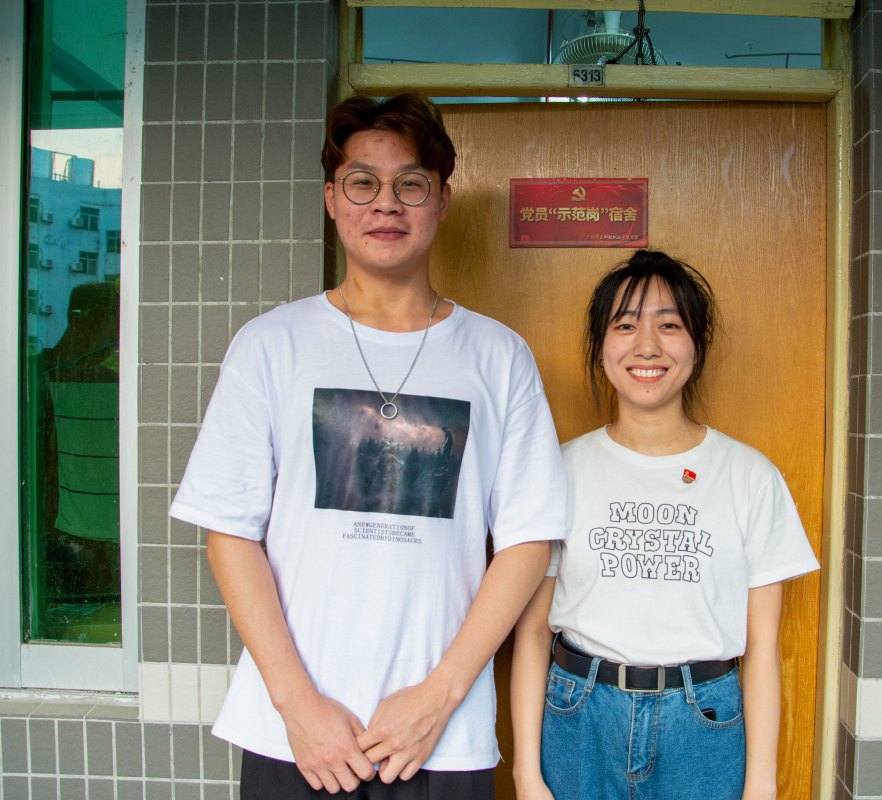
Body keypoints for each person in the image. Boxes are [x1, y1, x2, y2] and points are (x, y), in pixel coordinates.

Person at [170, 93, 566, 799]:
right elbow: (229, 532)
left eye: (411, 184)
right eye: (363, 182)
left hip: (440, 738)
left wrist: (441, 696)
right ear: (332, 198)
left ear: (442, 200)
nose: (386, 203)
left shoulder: (498, 356)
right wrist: (297, 704)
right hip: (296, 734)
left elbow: (528, 543)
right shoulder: (270, 345)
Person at [510, 250, 819, 800]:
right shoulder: (560, 470)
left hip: (703, 727)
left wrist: (761, 786)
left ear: (697, 345)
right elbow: (532, 632)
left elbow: (762, 648)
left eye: (669, 325)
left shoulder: (750, 475)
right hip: (580, 720)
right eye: (625, 325)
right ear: (600, 346)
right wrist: (526, 775)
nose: (647, 346)